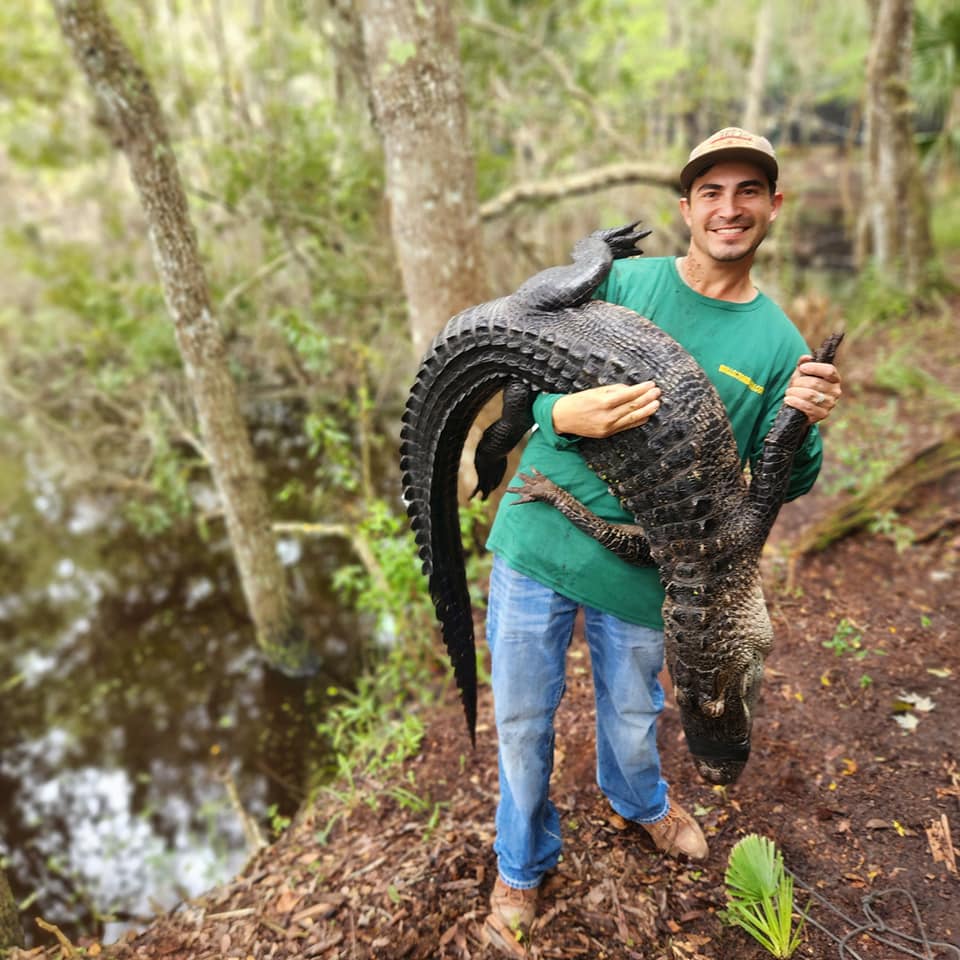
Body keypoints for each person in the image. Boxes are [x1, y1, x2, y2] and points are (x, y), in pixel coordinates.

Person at [481, 127, 842, 953]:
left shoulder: (780, 342)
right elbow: (519, 361)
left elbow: (785, 474)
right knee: (525, 725)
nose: (730, 207)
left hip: (654, 579)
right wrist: (552, 414)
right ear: (685, 207)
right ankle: (521, 864)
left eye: (748, 190)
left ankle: (639, 802)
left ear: (773, 207)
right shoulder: (625, 282)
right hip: (540, 541)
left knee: (637, 716)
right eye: (711, 192)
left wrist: (807, 420)